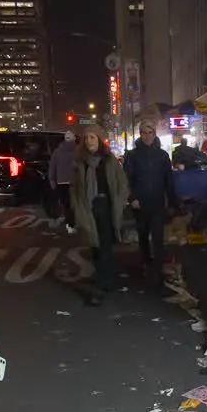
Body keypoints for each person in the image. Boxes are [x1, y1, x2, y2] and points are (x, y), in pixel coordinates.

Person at [70, 123, 130, 305]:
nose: (89, 141)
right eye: (86, 138)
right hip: (88, 208)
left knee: (104, 245)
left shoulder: (109, 161)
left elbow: (122, 184)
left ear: (99, 140)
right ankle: (105, 279)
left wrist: (119, 202)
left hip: (106, 206)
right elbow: (74, 188)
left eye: (92, 137)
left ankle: (101, 288)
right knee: (94, 246)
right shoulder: (80, 162)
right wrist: (74, 206)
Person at [123, 120, 176, 282]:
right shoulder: (132, 155)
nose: (147, 136)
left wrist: (173, 202)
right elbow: (126, 179)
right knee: (143, 236)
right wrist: (132, 198)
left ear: (155, 134)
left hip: (157, 203)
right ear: (140, 134)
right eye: (144, 133)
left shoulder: (162, 156)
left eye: (150, 132)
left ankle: (158, 268)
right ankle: (146, 263)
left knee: (158, 237)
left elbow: (169, 180)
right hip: (140, 204)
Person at [48, 129, 78, 234]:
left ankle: (70, 225)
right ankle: (73, 223)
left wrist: (52, 180)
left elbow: (52, 167)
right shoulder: (78, 151)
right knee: (76, 204)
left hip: (61, 182)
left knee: (66, 205)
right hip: (76, 182)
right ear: (74, 139)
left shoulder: (57, 151)